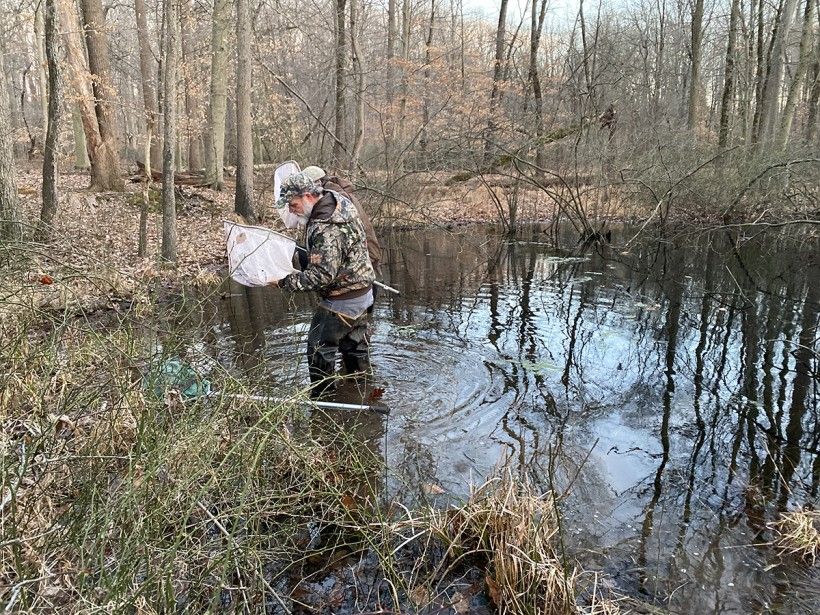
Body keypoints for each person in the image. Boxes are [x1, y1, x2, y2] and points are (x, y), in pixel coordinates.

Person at [271, 171, 376, 396]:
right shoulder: (338, 201)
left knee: (319, 351)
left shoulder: (323, 226)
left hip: (342, 301)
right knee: (355, 350)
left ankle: (324, 405)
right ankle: (361, 394)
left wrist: (282, 282)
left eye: (293, 203)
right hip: (364, 293)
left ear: (308, 196)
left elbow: (321, 276)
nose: (290, 209)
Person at [302, 166, 382, 276]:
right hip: (363, 256)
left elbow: (332, 238)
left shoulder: (333, 200)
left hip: (364, 259)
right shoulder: (330, 195)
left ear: (318, 182)